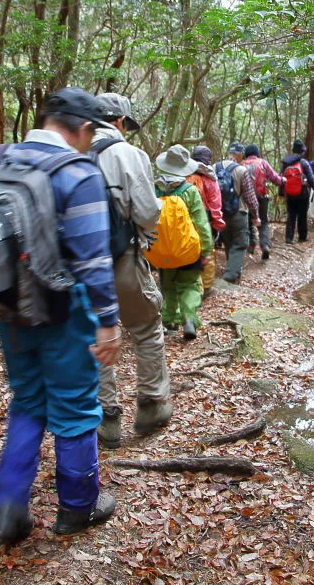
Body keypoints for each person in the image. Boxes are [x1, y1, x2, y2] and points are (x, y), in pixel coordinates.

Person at [0, 87, 119, 545]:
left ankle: (9, 508)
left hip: (11, 306)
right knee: (75, 408)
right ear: (81, 129)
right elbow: (93, 259)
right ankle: (78, 507)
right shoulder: (79, 173)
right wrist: (108, 320)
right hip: (65, 309)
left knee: (28, 402)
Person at [91, 93, 170, 450]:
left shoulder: (66, 152)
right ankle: (151, 403)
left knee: (95, 338)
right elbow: (147, 212)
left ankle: (106, 419)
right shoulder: (128, 155)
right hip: (123, 259)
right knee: (146, 327)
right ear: (120, 121)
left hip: (81, 267)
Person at [154, 145, 213, 339]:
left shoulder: (155, 189)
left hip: (162, 250)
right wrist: (205, 250)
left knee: (168, 285)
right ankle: (188, 318)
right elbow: (201, 224)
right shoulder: (190, 191)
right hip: (188, 249)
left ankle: (170, 323)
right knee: (189, 285)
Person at [215, 142, 260, 283]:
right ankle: (231, 275)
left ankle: (233, 270)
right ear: (240, 154)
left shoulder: (213, 168)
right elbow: (250, 198)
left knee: (228, 242)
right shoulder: (242, 171)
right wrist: (256, 216)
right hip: (238, 212)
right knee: (240, 244)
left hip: (220, 213)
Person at [187, 146, 225, 295]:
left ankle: (191, 286)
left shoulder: (184, 175)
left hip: (187, 221)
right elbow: (216, 205)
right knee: (207, 252)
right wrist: (217, 224)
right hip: (205, 221)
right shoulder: (210, 179)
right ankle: (207, 287)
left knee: (189, 252)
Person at [242, 144, 283, 261]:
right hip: (261, 197)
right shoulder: (263, 163)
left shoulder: (242, 165)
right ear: (257, 153)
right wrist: (282, 180)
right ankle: (265, 245)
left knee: (249, 222)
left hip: (246, 198)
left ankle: (250, 246)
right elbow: (276, 179)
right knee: (263, 222)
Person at [279, 140, 314, 244]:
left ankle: (289, 238)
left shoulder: (286, 162)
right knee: (302, 214)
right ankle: (302, 237)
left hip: (290, 193)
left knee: (291, 215)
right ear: (302, 151)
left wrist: (281, 193)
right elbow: (310, 177)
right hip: (303, 193)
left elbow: (281, 178)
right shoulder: (304, 162)